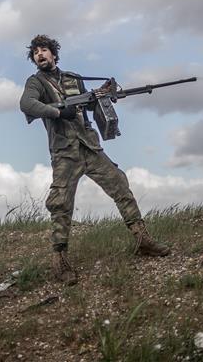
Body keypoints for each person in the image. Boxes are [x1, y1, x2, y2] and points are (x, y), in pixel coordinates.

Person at [19, 34, 170, 285]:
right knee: (61, 203)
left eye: (44, 50)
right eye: (35, 52)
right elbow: (27, 104)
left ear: (54, 54)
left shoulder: (72, 78)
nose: (40, 55)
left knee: (120, 185)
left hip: (89, 147)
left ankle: (143, 240)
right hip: (65, 152)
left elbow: (87, 105)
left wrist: (103, 94)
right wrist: (58, 111)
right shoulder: (36, 82)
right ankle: (60, 261)